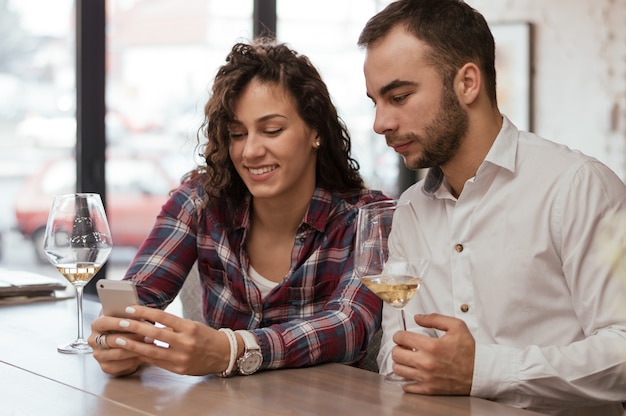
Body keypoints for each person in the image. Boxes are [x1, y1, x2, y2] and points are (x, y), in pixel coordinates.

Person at [357, 1, 626, 415]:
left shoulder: (579, 187)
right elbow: (398, 364)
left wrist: (483, 369)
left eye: (399, 96)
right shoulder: (409, 211)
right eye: (376, 101)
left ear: (467, 83)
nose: (380, 123)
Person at [88, 38, 387, 378]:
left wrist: (232, 350)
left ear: (316, 131)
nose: (250, 152)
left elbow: (348, 326)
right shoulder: (201, 201)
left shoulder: (368, 217)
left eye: (271, 130)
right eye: (237, 133)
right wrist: (118, 339)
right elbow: (138, 297)